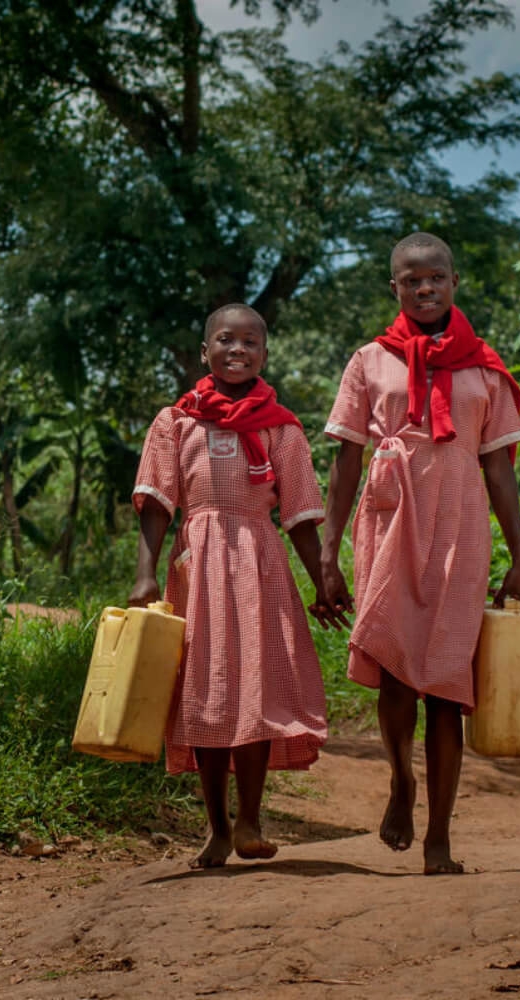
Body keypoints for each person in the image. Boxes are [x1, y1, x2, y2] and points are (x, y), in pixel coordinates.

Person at [314, 232, 520, 875]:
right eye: (412, 280)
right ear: (396, 289)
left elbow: (499, 468)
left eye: (436, 277)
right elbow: (345, 456)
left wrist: (519, 552)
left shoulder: (485, 368)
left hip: (462, 523)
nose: (425, 287)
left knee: (447, 682)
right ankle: (400, 783)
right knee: (397, 666)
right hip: (389, 519)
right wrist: (328, 545)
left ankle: (440, 837)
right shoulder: (369, 360)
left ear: (454, 282)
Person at [129, 303, 329, 870]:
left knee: (255, 693)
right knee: (205, 696)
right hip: (199, 565)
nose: (237, 350)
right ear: (204, 352)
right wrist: (145, 573)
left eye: (250, 343)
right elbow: (157, 501)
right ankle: (216, 827)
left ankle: (249, 820)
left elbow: (301, 516)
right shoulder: (176, 423)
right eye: (225, 340)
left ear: (264, 355)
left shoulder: (281, 428)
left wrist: (324, 582)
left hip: (260, 566)